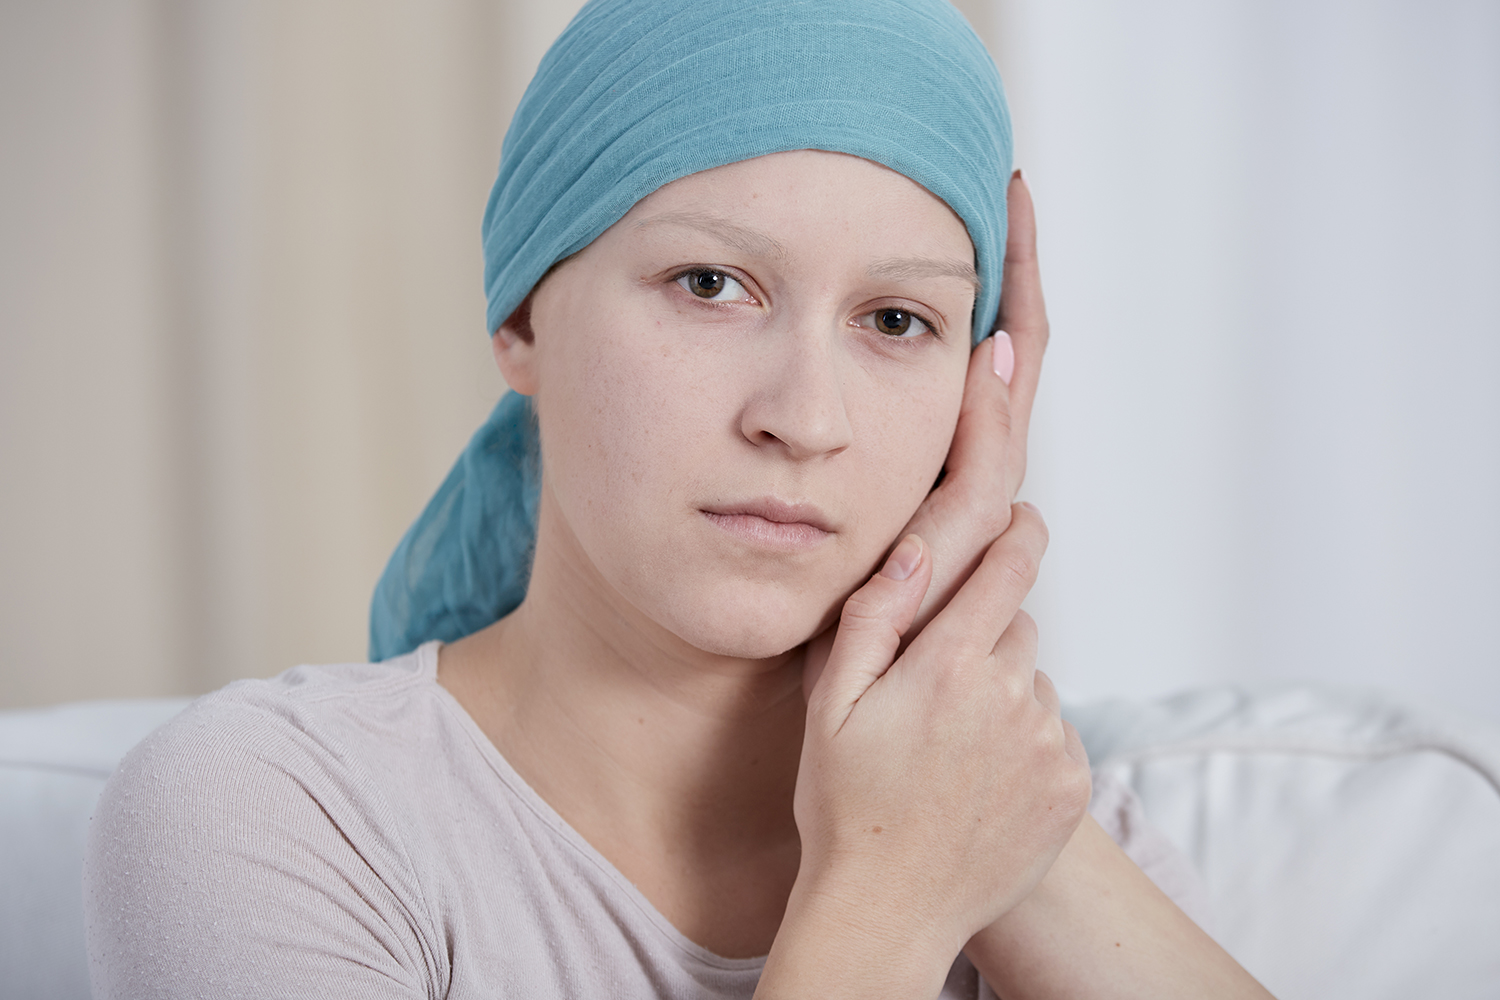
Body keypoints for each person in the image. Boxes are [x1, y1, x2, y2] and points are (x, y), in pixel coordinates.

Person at [84, 1, 1274, 997]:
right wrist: (889, 896)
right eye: (711, 283)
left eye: (898, 321)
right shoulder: (273, 815)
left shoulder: (1040, 810)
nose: (803, 418)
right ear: (521, 317)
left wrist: (1004, 827)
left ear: (983, 390)